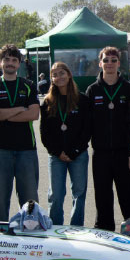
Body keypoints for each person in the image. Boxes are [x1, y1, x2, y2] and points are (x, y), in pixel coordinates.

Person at [86, 46, 130, 230]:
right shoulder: (92, 91)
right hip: (100, 153)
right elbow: (87, 123)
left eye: (113, 60)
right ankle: (104, 231)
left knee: (128, 196)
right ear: (100, 63)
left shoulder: (129, 89)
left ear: (119, 63)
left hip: (124, 153)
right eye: (106, 60)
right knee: (102, 196)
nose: (109, 64)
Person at [0, 45, 41, 220]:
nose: (10, 63)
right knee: (0, 198)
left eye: (14, 60)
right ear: (0, 62)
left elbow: (33, 114)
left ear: (19, 64)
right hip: (0, 149)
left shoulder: (28, 85)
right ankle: (1, 230)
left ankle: (30, 229)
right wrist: (19, 109)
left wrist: (4, 114)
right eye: (7, 60)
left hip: (26, 149)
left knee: (29, 198)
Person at [40, 62, 91, 226]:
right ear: (51, 79)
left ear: (69, 75)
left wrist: (75, 150)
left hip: (78, 154)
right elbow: (44, 133)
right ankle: (54, 228)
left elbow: (87, 128)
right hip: (56, 156)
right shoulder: (47, 102)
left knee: (79, 193)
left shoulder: (82, 99)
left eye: (62, 73)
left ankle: (76, 227)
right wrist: (57, 151)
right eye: (54, 75)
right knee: (55, 195)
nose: (58, 77)